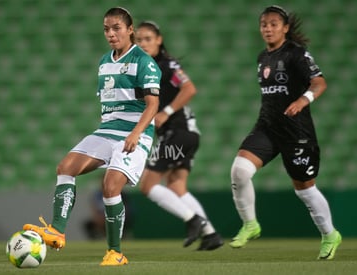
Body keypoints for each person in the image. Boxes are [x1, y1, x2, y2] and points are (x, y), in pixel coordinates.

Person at [23, 7, 161, 266]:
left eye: (116, 28)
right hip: (107, 130)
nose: (111, 33)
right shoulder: (104, 62)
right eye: (106, 29)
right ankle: (57, 230)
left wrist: (135, 133)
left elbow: (153, 105)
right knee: (65, 167)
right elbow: (109, 103)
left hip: (134, 133)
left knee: (110, 186)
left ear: (130, 30)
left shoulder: (144, 62)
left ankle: (115, 252)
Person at [229, 5, 341, 260]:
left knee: (304, 189)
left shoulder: (296, 54)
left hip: (296, 130)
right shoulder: (262, 58)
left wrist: (303, 100)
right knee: (239, 170)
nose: (268, 28)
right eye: (264, 24)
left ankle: (330, 234)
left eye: (273, 24)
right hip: (268, 126)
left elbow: (320, 82)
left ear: (285, 28)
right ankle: (251, 224)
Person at [136, 21, 224, 251]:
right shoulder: (148, 68)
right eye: (139, 40)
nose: (143, 44)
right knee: (176, 186)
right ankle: (210, 234)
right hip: (188, 134)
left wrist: (165, 112)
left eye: (148, 38)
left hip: (177, 133)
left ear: (159, 39)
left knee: (147, 185)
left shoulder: (166, 65)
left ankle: (192, 219)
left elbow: (189, 88)